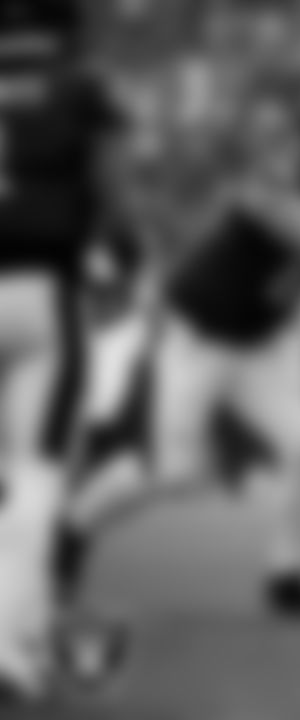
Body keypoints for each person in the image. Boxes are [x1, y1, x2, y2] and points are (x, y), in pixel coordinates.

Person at [57, 97, 300, 621]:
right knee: (172, 472)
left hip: (258, 346)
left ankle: (288, 575)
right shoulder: (273, 184)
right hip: (197, 335)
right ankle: (68, 532)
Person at [0, 0, 131, 701]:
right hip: (41, 292)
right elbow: (110, 183)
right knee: (36, 477)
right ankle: (8, 649)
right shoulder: (84, 85)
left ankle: (27, 629)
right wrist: (124, 252)